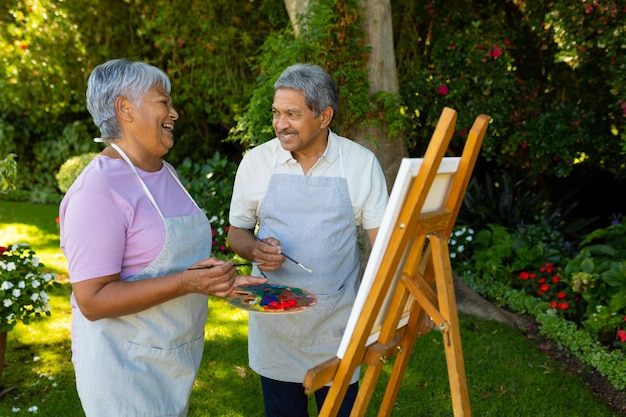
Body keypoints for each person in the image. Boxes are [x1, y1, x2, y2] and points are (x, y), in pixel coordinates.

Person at [59, 58, 266, 417]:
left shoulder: (165, 173)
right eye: (163, 101)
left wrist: (219, 282)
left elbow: (169, 262)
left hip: (173, 359)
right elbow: (92, 301)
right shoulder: (97, 190)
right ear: (125, 108)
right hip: (123, 369)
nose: (175, 112)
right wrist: (187, 282)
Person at [227, 63, 389, 417]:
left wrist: (394, 306)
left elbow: (384, 248)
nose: (280, 123)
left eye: (292, 114)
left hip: (338, 327)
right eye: (276, 113)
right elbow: (235, 232)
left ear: (324, 116)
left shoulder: (361, 164)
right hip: (275, 328)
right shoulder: (256, 162)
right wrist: (254, 248)